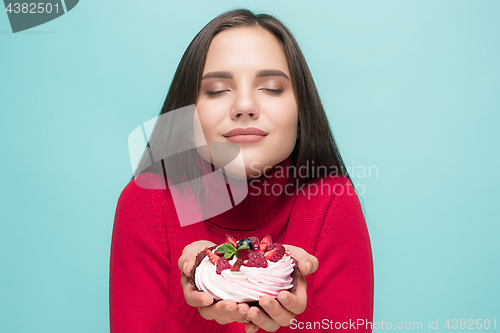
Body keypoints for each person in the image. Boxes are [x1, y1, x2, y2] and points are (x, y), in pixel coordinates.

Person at [109, 8, 374, 333]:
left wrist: (288, 308)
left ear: (302, 113)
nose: (244, 106)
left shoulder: (332, 201)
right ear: (186, 116)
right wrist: (202, 291)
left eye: (272, 87)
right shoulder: (146, 202)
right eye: (218, 89)